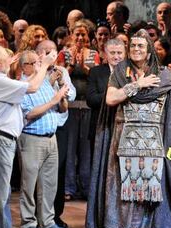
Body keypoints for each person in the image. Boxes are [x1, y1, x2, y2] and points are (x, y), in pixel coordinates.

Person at [85, 29, 171, 228]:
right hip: (124, 138)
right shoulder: (120, 72)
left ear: (149, 51)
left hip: (155, 140)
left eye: (140, 46)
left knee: (151, 189)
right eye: (132, 46)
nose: (135, 49)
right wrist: (137, 85)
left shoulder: (165, 77)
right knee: (123, 188)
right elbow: (110, 98)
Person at [0, 45, 57, 228]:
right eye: (6, 58)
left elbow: (24, 87)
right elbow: (33, 88)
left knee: (0, 192)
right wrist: (44, 65)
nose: (10, 60)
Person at [18, 40, 69, 228]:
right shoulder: (22, 85)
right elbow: (29, 113)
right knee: (29, 183)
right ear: (25, 66)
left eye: (40, 63)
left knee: (49, 184)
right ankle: (28, 222)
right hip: (31, 139)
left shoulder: (46, 83)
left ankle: (46, 220)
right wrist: (54, 100)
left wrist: (61, 94)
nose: (40, 66)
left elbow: (62, 108)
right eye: (36, 63)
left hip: (51, 139)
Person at [57, 19, 99, 201]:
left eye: (84, 34)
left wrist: (84, 67)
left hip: (87, 107)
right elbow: (59, 75)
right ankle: (68, 187)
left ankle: (87, 187)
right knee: (70, 148)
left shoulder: (94, 54)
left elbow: (96, 75)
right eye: (77, 34)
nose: (80, 37)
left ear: (88, 37)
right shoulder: (64, 53)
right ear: (72, 36)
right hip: (70, 108)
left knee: (85, 149)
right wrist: (72, 64)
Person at [87, 38, 126, 155]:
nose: (116, 57)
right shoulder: (95, 72)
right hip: (101, 127)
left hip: (124, 128)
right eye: (112, 53)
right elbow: (91, 100)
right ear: (105, 54)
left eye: (119, 53)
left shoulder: (131, 73)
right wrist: (113, 94)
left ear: (125, 54)